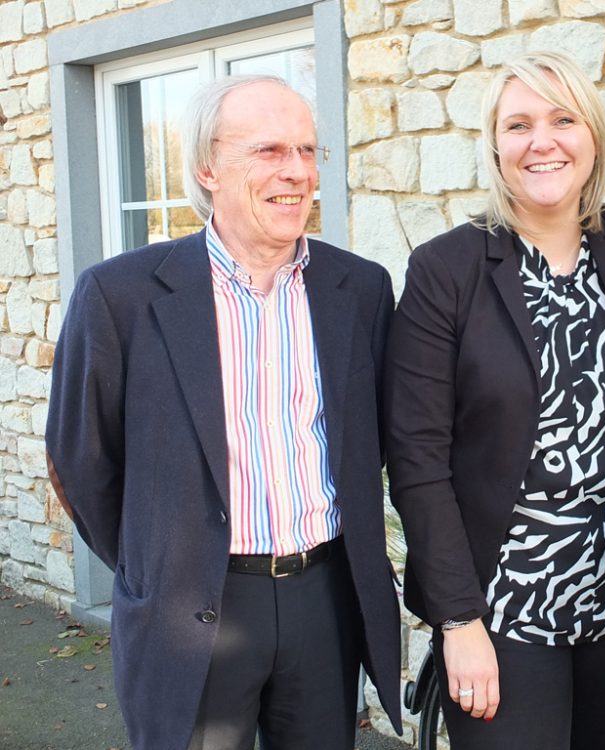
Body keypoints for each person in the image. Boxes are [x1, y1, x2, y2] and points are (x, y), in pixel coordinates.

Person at [45, 75, 401, 750]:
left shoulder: (359, 288)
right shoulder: (119, 296)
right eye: (269, 151)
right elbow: (81, 458)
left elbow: (376, 442)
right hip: (190, 612)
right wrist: (156, 566)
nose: (296, 172)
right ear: (207, 167)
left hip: (325, 602)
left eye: (306, 150)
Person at [384, 51, 605, 750]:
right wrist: (458, 621)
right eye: (518, 123)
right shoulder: (448, 270)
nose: (542, 141)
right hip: (504, 612)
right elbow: (417, 458)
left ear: (592, 136)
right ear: (496, 146)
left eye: (562, 119)